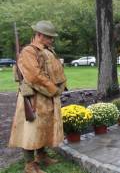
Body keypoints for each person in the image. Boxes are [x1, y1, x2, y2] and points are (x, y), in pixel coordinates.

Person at [9, 20, 67, 173]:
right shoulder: (29, 51)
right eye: (49, 37)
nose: (51, 40)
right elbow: (34, 76)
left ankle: (41, 156)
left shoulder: (46, 49)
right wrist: (53, 89)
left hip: (46, 96)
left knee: (43, 128)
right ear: (39, 35)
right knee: (30, 130)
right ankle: (29, 164)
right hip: (34, 97)